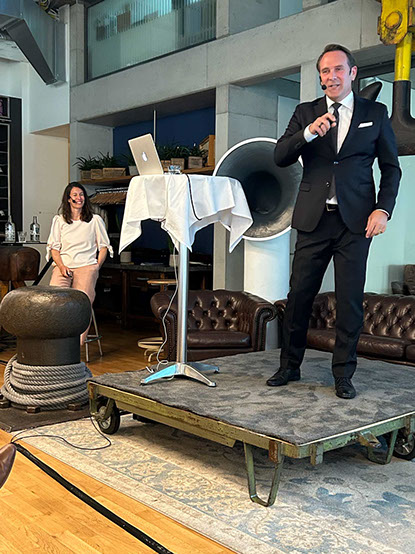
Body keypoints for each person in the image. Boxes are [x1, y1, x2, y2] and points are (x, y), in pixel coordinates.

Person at [266, 44, 401, 399]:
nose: (332, 76)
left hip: (356, 223)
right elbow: (280, 156)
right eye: (325, 71)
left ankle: (343, 374)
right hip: (314, 220)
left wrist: (383, 209)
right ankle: (289, 366)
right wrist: (308, 132)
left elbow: (391, 169)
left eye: (338, 69)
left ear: (352, 73)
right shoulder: (305, 113)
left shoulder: (375, 113)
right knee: (299, 296)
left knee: (349, 300)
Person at [47, 182, 113, 345]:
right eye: (75, 195)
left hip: (86, 266)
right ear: (68, 199)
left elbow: (103, 246)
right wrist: (61, 266)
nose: (79, 198)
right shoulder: (59, 220)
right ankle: (57, 342)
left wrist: (96, 266)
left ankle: (76, 345)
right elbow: (54, 248)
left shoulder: (95, 220)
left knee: (83, 301)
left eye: (81, 194)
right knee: (53, 300)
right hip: (64, 266)